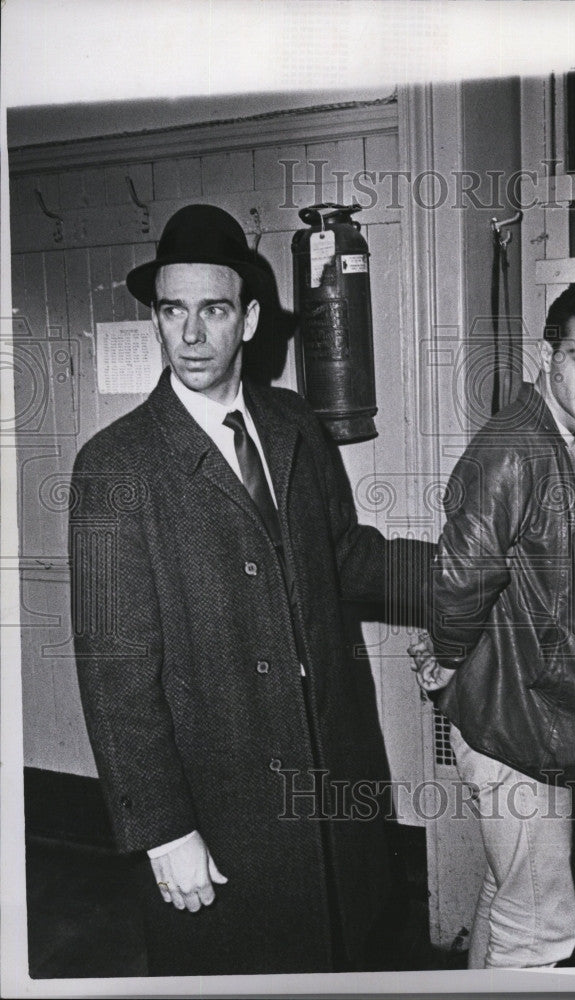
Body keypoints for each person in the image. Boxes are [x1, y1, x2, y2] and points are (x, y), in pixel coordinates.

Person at [69, 204, 430, 976]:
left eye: (213, 309)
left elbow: (341, 558)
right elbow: (116, 674)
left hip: (330, 780)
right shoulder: (115, 468)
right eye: (172, 311)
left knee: (344, 959)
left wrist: (465, 573)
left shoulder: (294, 422)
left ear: (251, 318)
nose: (191, 335)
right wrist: (164, 832)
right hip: (220, 805)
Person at [409, 281, 575, 969]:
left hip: (524, 712)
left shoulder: (558, 439)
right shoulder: (517, 446)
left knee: (510, 895)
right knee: (536, 928)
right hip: (515, 720)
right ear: (545, 354)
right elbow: (459, 570)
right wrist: (447, 660)